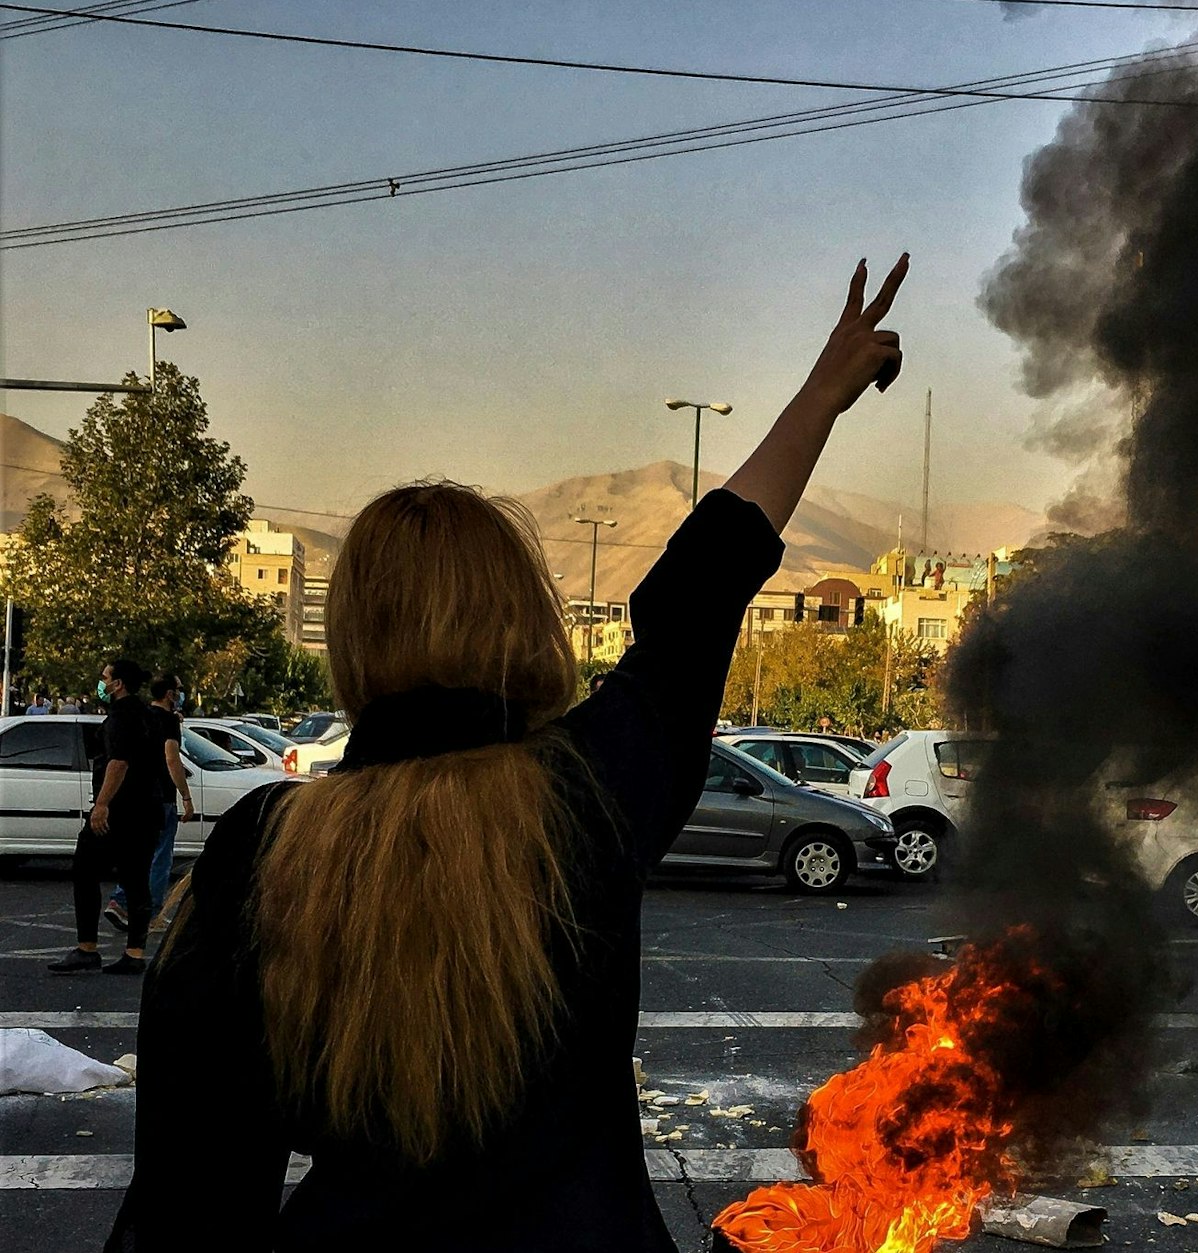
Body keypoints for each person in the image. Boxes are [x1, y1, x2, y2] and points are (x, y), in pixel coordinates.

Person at [106, 254, 908, 1251]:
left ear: (354, 637)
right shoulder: (587, 790)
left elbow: (189, 1201)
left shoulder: (261, 849)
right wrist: (820, 397)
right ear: (523, 616)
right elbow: (696, 594)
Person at [48, 658, 165, 975]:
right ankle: (134, 953)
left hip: (120, 812)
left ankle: (87, 948)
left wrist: (101, 805)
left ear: (118, 684)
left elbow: (119, 763)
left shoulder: (120, 717)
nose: (101, 682)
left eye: (105, 678)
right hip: (146, 811)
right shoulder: (147, 715)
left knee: (85, 870)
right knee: (137, 880)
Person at [103, 675, 195, 935]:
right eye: (178, 689)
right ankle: (150, 913)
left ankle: (121, 901)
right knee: (160, 857)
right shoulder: (168, 721)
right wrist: (185, 796)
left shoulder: (142, 715)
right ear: (169, 694)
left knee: (138, 854)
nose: (180, 694)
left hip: (137, 794)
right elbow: (171, 758)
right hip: (161, 797)